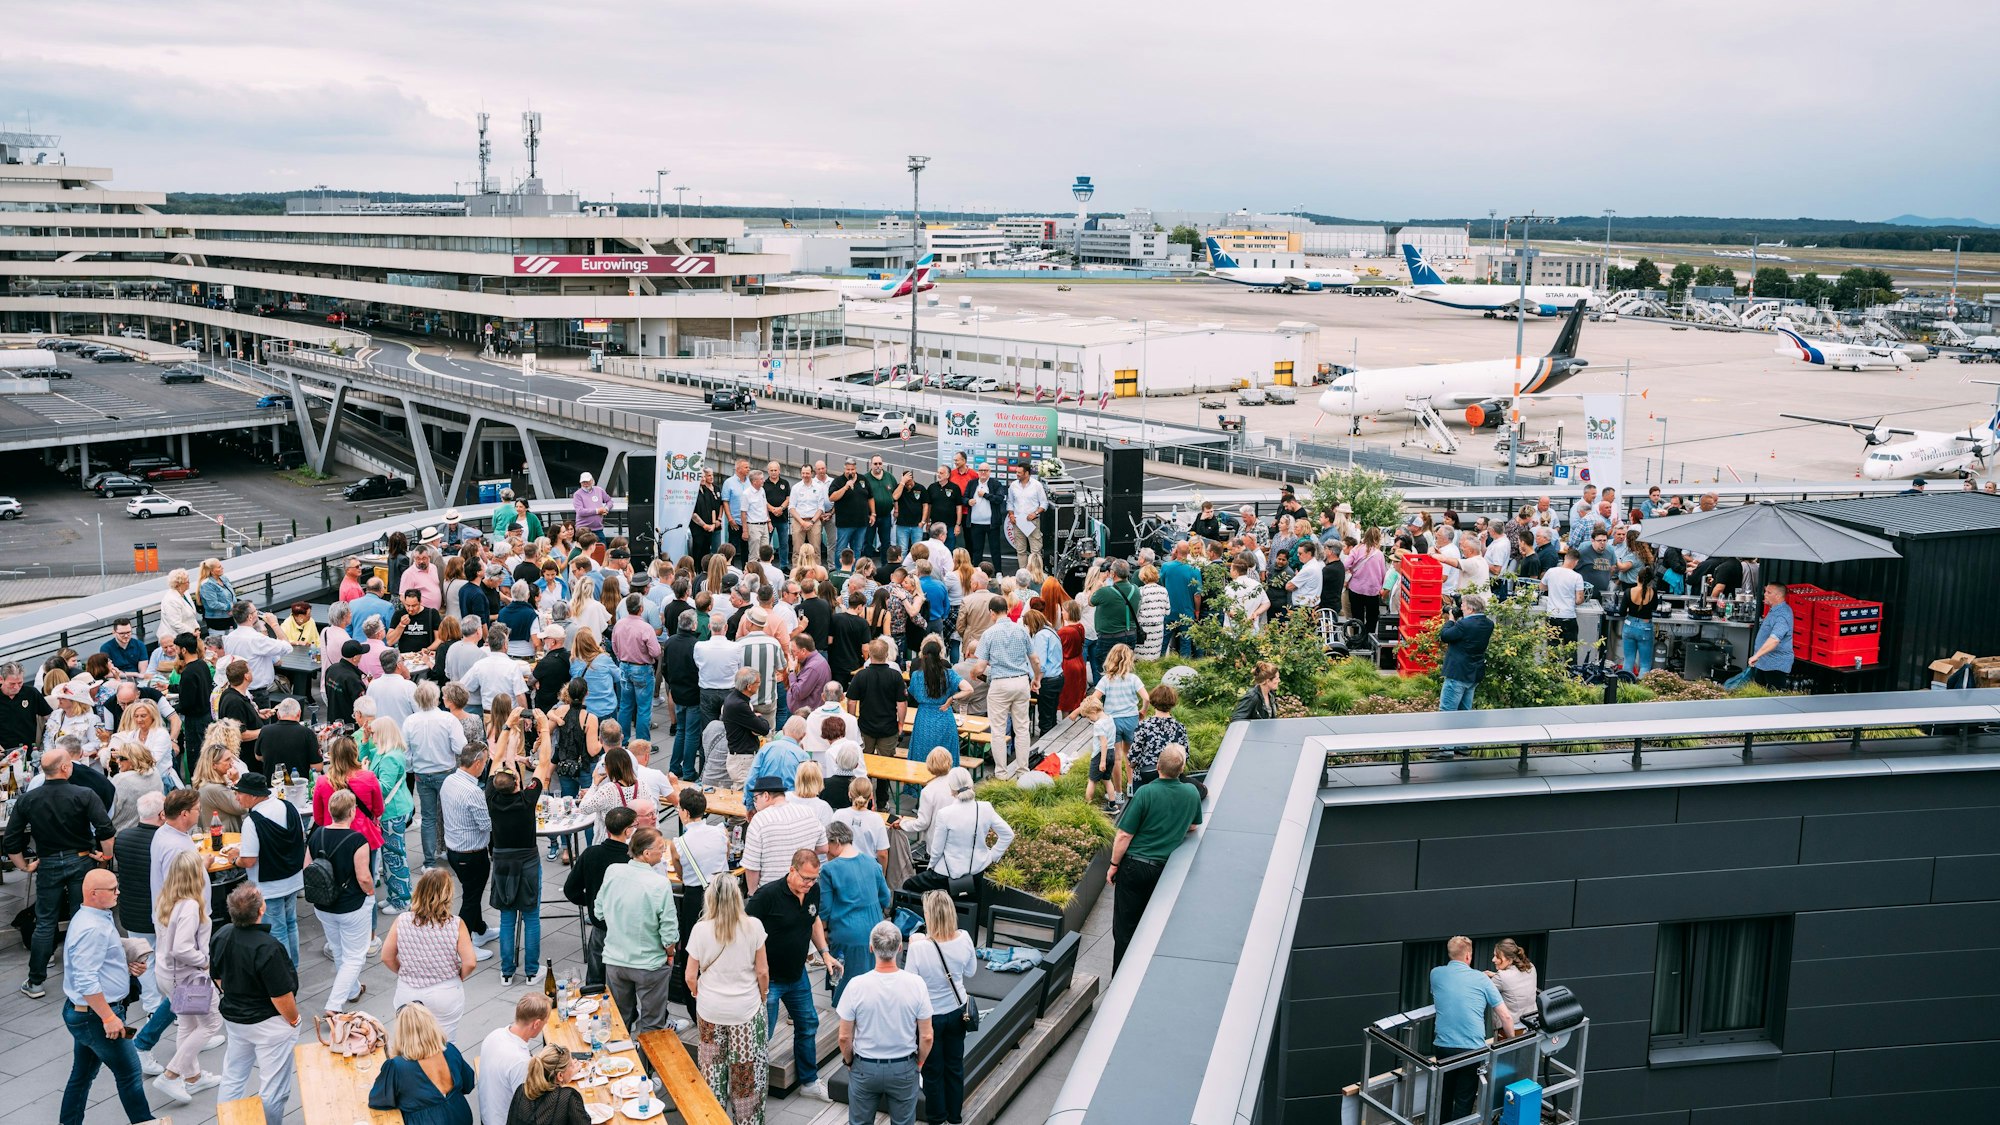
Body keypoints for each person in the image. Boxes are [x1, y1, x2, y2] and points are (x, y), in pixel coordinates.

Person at [8, 745, 116, 1000]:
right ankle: (86, 976)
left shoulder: (28, 799)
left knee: (45, 921)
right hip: (81, 861)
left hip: (47, 864)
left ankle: (36, 981)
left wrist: (25, 866)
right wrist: (106, 857)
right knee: (85, 918)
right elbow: (106, 830)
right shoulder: (84, 794)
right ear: (66, 768)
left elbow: (11, 842)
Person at [57, 868, 154, 1125]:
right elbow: (86, 979)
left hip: (87, 1014)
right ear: (93, 893)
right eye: (113, 889)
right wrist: (109, 1017)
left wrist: (127, 965)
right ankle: (145, 1121)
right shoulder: (93, 928)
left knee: (81, 1075)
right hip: (96, 1016)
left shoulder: (95, 916)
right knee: (130, 1074)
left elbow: (99, 961)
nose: (118, 892)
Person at [747, 848, 838, 1101]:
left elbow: (813, 920)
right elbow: (745, 932)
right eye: (805, 878)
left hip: (797, 975)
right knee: (762, 1035)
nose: (809, 884)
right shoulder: (767, 896)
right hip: (769, 980)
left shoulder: (813, 890)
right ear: (791, 870)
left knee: (808, 1024)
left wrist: (825, 952)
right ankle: (753, 1088)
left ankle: (809, 1081)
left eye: (814, 879)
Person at [685, 876, 771, 1124]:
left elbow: (691, 976)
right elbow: (762, 972)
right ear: (738, 897)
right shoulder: (753, 926)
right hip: (745, 1011)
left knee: (712, 1070)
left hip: (710, 1011)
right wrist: (762, 996)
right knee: (745, 1073)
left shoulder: (700, 929)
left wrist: (698, 994)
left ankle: (714, 1119)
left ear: (710, 898)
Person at [213, 884, 302, 1125]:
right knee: (274, 1087)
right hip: (269, 1023)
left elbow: (218, 977)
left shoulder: (221, 935)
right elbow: (281, 996)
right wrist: (294, 1020)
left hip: (235, 1018)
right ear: (261, 910)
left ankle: (228, 1120)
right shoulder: (268, 947)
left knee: (233, 1076)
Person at [1109, 746, 1203, 969]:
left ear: (1158, 767)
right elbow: (1193, 825)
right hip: (1164, 871)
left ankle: (1119, 980)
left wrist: (1113, 865)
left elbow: (1123, 835)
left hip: (1133, 867)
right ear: (1181, 769)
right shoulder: (1191, 793)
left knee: (1125, 929)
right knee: (1152, 926)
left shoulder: (1146, 792)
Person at [837, 920, 933, 1125]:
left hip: (864, 1067)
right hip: (903, 1067)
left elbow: (844, 1037)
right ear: (900, 947)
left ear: (871, 948)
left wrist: (849, 1061)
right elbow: (927, 1036)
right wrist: (919, 1062)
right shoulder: (916, 984)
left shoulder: (856, 986)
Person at [151, 850, 223, 1105]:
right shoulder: (191, 906)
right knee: (211, 1024)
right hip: (187, 976)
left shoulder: (165, 899)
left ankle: (193, 1077)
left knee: (188, 1024)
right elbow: (181, 947)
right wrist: (204, 961)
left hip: (167, 974)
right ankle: (172, 1074)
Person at [599, 826, 686, 1034]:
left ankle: (621, 1061)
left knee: (619, 1019)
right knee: (652, 1023)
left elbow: (599, 910)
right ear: (646, 854)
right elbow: (669, 927)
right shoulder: (659, 884)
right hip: (649, 964)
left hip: (615, 960)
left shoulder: (613, 871)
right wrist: (670, 953)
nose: (663, 850)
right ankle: (646, 1064)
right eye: (660, 847)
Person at [488, 719, 555, 985]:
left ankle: (506, 972)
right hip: (527, 859)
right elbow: (543, 761)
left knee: (506, 917)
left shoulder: (491, 797)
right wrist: (546, 729)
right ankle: (531, 971)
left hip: (502, 860)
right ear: (517, 783)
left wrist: (505, 728)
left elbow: (495, 762)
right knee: (531, 915)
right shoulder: (527, 799)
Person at [383, 868, 479, 1037]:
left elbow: (387, 956)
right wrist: (458, 976)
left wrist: (403, 972)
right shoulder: (456, 924)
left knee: (409, 1044)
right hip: (444, 991)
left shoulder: (402, 920)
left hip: (408, 991)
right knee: (446, 1045)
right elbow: (470, 962)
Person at [908, 889, 976, 1125]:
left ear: (929, 915)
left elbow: (911, 984)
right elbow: (970, 972)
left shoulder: (918, 947)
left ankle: (937, 1119)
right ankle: (955, 1117)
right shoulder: (965, 938)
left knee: (932, 1071)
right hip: (958, 1012)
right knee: (955, 1066)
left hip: (930, 1018)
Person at [1431, 935, 1517, 1120]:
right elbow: (1505, 1016)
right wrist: (1511, 1040)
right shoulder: (1481, 979)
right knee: (1464, 1098)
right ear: (1469, 956)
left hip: (1443, 1046)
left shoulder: (1435, 974)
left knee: (1445, 1093)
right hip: (1471, 1050)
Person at [309, 790, 376, 1013]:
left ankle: (352, 990)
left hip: (323, 903)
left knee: (339, 951)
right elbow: (364, 877)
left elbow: (307, 868)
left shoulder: (316, 834)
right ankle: (334, 1005)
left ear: (330, 811)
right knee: (355, 957)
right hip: (351, 905)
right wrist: (371, 894)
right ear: (352, 812)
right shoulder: (357, 840)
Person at [230, 772, 306, 965]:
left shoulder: (252, 821)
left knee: (277, 930)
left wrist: (234, 859)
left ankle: (285, 974)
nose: (237, 797)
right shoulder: (289, 807)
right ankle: (294, 966)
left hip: (270, 886)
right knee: (291, 924)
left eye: (239, 793)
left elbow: (248, 860)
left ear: (253, 796)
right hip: (293, 878)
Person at [563, 805, 638, 991]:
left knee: (596, 977)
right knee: (625, 981)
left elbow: (570, 889)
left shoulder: (591, 853)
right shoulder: (632, 860)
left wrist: (590, 901)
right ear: (628, 831)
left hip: (600, 926)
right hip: (625, 928)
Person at [911, 769, 1014, 901]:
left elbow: (937, 850)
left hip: (945, 874)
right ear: (971, 784)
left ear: (951, 789)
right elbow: (1008, 834)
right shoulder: (985, 808)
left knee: (908, 885)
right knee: (972, 907)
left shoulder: (945, 814)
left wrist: (931, 868)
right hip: (976, 871)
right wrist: (992, 856)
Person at [368, 1000, 476, 1125]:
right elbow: (468, 1084)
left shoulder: (397, 1066)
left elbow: (378, 1100)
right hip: (460, 1115)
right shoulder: (450, 1050)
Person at [820, 819, 893, 1002]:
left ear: (836, 842)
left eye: (827, 844)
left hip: (846, 934)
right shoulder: (872, 863)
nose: (825, 850)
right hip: (875, 932)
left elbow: (824, 909)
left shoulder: (829, 870)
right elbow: (885, 898)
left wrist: (823, 937)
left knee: (847, 991)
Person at [440, 742, 499, 953]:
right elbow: (486, 825)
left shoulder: (449, 781)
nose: (484, 766)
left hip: (455, 850)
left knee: (470, 892)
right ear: (477, 763)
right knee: (471, 899)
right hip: (472, 854)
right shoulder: (473, 791)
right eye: (484, 762)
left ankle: (480, 930)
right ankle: (463, 947)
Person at [360, 715, 414, 913]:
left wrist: (366, 774)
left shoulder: (390, 757)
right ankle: (396, 896)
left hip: (393, 812)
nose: (371, 735)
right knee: (391, 855)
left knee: (394, 856)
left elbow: (382, 788)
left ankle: (401, 901)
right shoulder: (387, 752)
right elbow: (363, 757)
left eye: (373, 733)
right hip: (393, 811)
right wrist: (364, 740)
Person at [978, 595, 1037, 777]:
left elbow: (980, 666)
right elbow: (1034, 659)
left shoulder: (988, 634)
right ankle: (1022, 770)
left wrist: (974, 673)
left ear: (992, 613)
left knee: (998, 730)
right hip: (1021, 681)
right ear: (1007, 610)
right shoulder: (1021, 631)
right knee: (1021, 728)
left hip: (1000, 683)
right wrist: (1037, 677)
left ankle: (1001, 772)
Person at [742, 774, 828, 891]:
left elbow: (752, 866)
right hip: (805, 888)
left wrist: (753, 893)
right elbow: (824, 848)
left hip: (771, 892)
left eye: (756, 798)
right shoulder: (809, 812)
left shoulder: (759, 820)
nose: (755, 804)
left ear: (766, 796)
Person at [479, 994, 552, 1125]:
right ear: (536, 1024)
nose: (545, 1026)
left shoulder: (495, 1034)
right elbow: (530, 1109)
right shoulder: (521, 1062)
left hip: (487, 1115)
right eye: (545, 1022)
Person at [907, 635, 971, 766]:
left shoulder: (916, 676)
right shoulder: (949, 674)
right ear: (940, 655)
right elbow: (968, 689)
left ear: (923, 655)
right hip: (944, 716)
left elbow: (912, 692)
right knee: (946, 757)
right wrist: (951, 698)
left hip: (923, 718)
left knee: (921, 755)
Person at [1729, 582, 1795, 689]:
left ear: (1778, 596)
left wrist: (1756, 655)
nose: (1765, 594)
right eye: (1765, 591)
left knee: (1772, 697)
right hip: (1764, 662)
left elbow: (1774, 639)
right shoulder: (1774, 610)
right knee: (1759, 693)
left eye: (1769, 592)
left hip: (1775, 665)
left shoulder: (1782, 615)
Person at [506, 1043, 590, 1125]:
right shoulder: (568, 1097)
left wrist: (568, 1074)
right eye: (571, 1066)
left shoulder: (522, 1090)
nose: (575, 1067)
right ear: (560, 1075)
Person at [849, 638, 907, 755]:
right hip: (888, 728)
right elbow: (902, 704)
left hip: (865, 727)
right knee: (886, 762)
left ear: (869, 654)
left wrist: (852, 720)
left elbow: (851, 702)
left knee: (864, 760)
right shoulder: (895, 676)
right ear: (886, 654)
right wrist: (901, 723)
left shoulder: (861, 675)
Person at [1438, 592, 1494, 713]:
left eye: (1463, 607)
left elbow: (1445, 636)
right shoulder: (1489, 624)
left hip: (1457, 674)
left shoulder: (1464, 625)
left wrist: (1451, 620)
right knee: (1465, 713)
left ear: (1470, 609)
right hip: (1473, 674)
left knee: (1447, 712)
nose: (1461, 609)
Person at [1128, 684, 1187, 790]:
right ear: (1172, 703)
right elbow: (1185, 754)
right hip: (1171, 776)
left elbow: (1134, 755)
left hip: (1146, 777)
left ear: (1153, 701)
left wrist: (1132, 764)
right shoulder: (1179, 727)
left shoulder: (1144, 725)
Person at [1540, 550, 1586, 647]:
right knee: (1570, 650)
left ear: (1565, 558)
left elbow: (1542, 587)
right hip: (1568, 616)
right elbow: (1579, 599)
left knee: (1553, 649)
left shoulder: (1551, 571)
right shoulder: (1577, 577)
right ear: (1576, 562)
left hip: (1552, 616)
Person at [1487, 938, 1539, 1025]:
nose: (1493, 960)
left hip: (1510, 1030)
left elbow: (1481, 988)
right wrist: (1495, 975)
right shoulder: (1531, 967)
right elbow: (1514, 980)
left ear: (1510, 960)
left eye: (1497, 957)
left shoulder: (1501, 977)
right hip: (1531, 1024)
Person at [1622, 565, 1660, 675]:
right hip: (1645, 627)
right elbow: (1654, 608)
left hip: (1629, 626)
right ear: (1650, 581)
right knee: (1645, 664)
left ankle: (1625, 684)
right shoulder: (1653, 592)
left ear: (1637, 578)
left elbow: (1621, 612)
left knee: (1628, 660)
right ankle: (1642, 688)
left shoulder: (1629, 591)